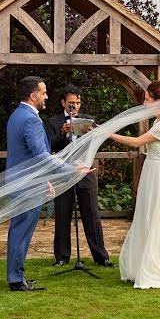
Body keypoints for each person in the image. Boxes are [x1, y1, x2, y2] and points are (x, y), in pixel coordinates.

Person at [109, 80, 160, 289]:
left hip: (159, 173)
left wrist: (108, 134)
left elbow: (136, 142)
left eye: (148, 99)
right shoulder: (158, 122)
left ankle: (153, 269)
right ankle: (140, 266)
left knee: (153, 221)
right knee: (144, 217)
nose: (145, 103)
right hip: (151, 170)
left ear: (159, 101)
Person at [46, 85, 112, 268]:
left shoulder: (89, 120)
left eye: (78, 102)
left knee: (92, 215)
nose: (75, 106)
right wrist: (62, 133)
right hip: (62, 173)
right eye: (71, 103)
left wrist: (93, 136)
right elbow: (48, 145)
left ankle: (102, 257)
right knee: (62, 216)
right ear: (63, 103)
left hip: (85, 172)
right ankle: (61, 257)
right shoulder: (53, 122)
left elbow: (98, 144)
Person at [6, 76, 57, 292]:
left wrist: (45, 179)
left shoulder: (18, 115)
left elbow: (27, 155)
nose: (46, 96)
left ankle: (17, 275)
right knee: (21, 231)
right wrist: (72, 170)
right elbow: (41, 155)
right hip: (26, 185)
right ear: (33, 95)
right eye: (43, 93)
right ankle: (16, 279)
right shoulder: (30, 119)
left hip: (25, 182)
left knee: (20, 230)